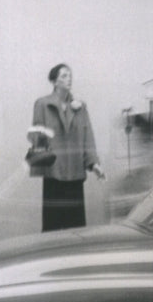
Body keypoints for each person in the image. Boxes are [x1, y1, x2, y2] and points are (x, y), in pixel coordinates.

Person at [31, 63, 104, 232]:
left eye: (70, 75)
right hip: (54, 174)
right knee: (52, 228)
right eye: (63, 76)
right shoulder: (42, 104)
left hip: (75, 173)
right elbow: (37, 137)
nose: (69, 78)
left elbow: (88, 137)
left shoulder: (81, 107)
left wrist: (94, 164)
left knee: (76, 229)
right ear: (54, 81)